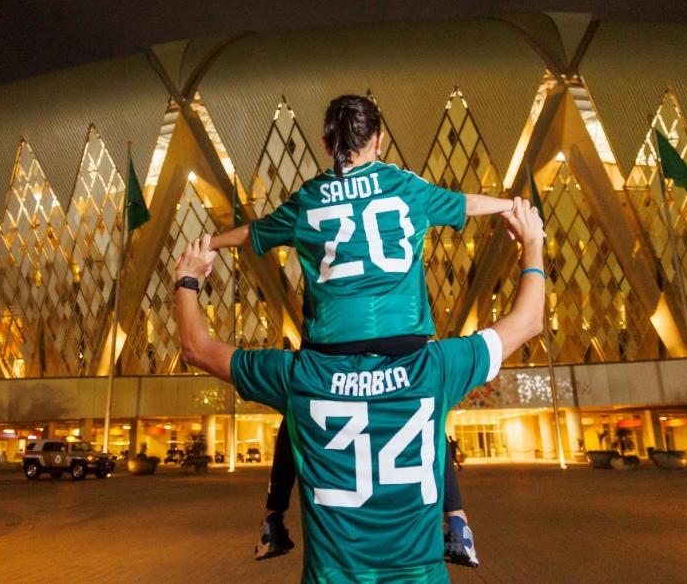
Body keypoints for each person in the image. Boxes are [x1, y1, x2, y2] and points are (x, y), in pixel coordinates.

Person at [209, 94, 515, 566]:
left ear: (325, 142)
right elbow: (464, 204)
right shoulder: (403, 185)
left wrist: (209, 243)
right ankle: (457, 521)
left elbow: (255, 233)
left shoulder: (310, 196)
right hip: (402, 335)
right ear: (379, 139)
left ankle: (273, 520)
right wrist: (510, 206)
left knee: (295, 413)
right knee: (429, 412)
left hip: (332, 340)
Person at [176, 198, 545, 581]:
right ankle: (458, 519)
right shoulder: (433, 368)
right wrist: (532, 243)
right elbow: (529, 320)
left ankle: (273, 516)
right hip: (419, 573)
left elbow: (196, 349)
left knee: (292, 426)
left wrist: (187, 280)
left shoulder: (301, 376)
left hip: (334, 574)